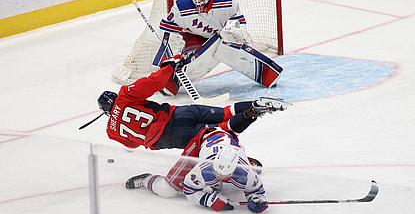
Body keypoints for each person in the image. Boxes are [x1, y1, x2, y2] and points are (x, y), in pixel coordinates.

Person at [98, 54, 290, 150]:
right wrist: (170, 67)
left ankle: (251, 114)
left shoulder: (111, 132)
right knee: (224, 113)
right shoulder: (124, 96)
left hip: (171, 137)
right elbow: (153, 82)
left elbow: (133, 145)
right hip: (179, 113)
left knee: (223, 131)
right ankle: (254, 104)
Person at [154, 0, 284, 96]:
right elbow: (168, 28)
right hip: (192, 37)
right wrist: (173, 56)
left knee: (226, 43)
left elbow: (238, 20)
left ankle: (265, 72)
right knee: (189, 62)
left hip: (220, 35)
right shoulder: (182, 6)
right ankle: (170, 81)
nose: (197, 1)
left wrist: (237, 32)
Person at [125, 127, 269, 213]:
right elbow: (189, 188)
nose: (218, 175)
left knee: (224, 185)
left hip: (230, 142)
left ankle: (245, 159)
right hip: (202, 142)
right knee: (166, 190)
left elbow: (256, 191)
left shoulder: (246, 174)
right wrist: (207, 200)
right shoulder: (205, 168)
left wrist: (257, 200)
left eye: (223, 174)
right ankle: (146, 180)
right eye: (217, 171)